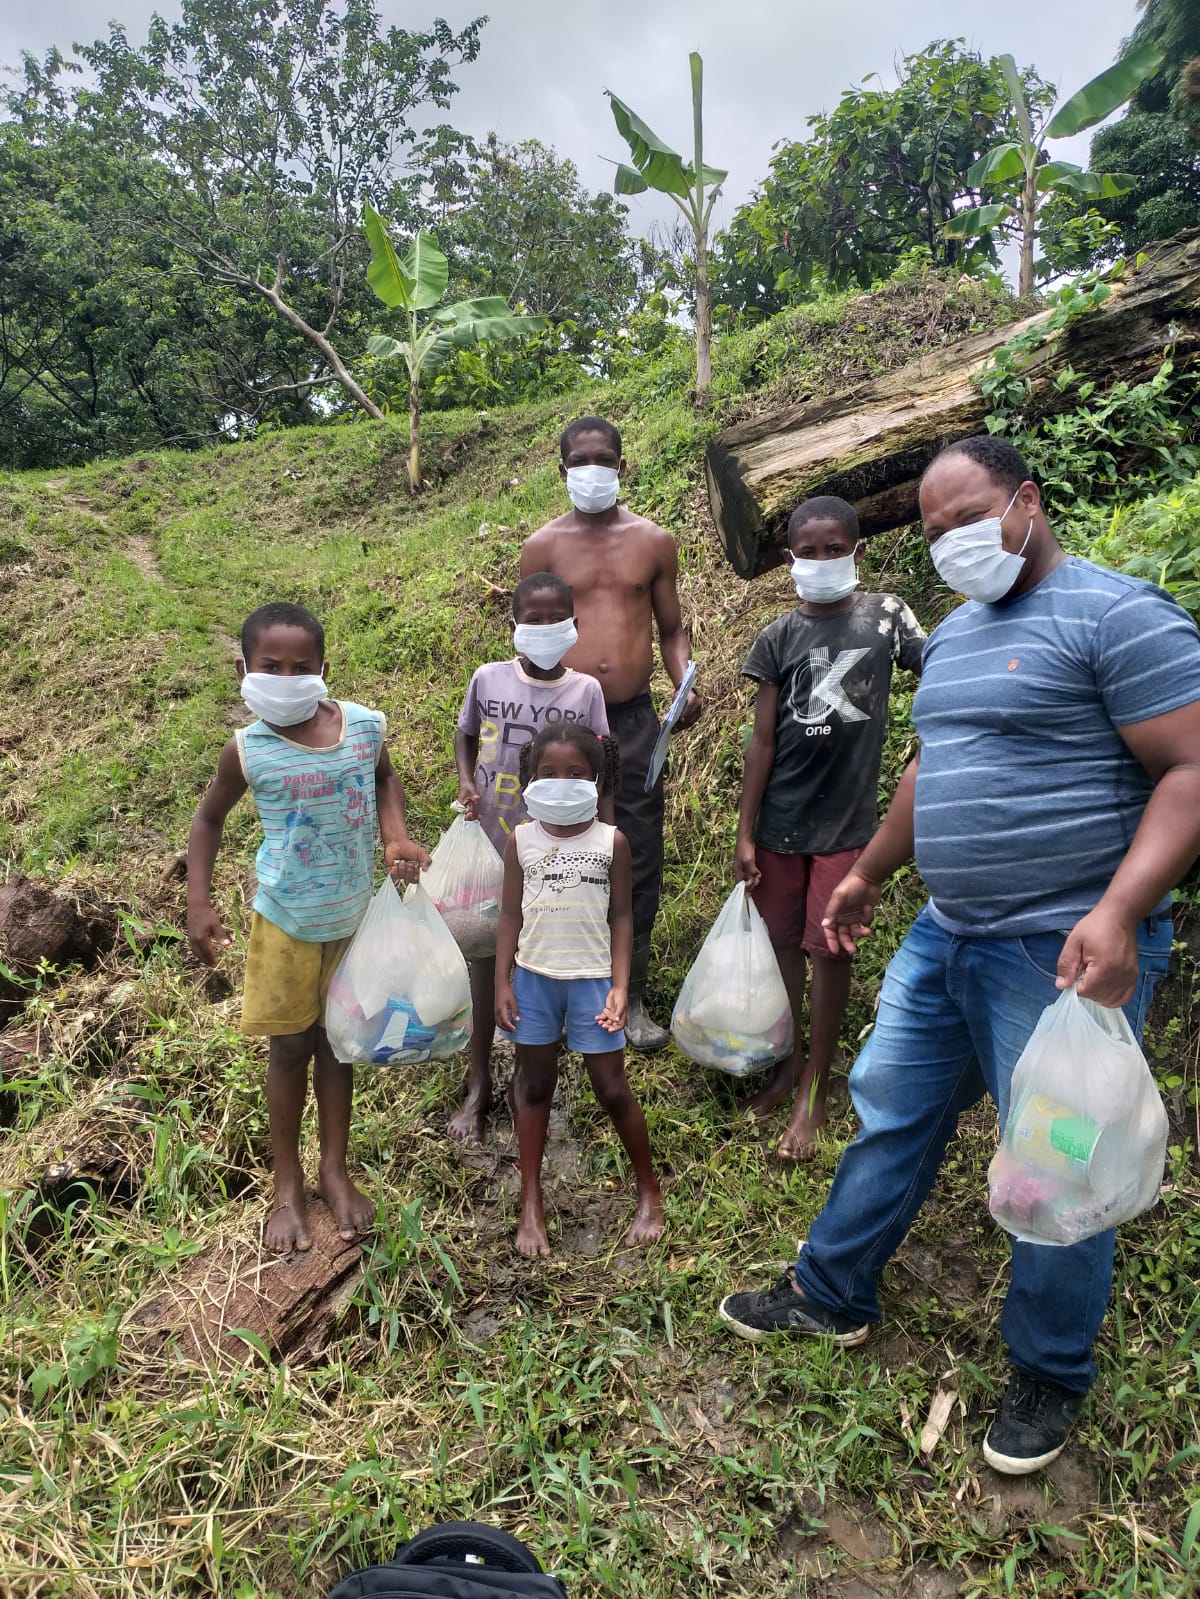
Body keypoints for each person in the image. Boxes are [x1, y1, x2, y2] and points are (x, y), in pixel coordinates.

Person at [718, 436, 1200, 1476]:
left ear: (1024, 499)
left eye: (964, 520)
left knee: (1055, 1162)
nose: (947, 545)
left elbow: (1190, 773)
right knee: (892, 1104)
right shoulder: (960, 633)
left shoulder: (1119, 616)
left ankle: (1049, 1373)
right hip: (951, 932)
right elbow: (933, 769)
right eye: (931, 533)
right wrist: (872, 874)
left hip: (1066, 951)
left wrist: (1121, 912)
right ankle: (830, 1293)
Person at [186, 602, 431, 1253]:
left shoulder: (361, 729)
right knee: (290, 1049)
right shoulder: (247, 750)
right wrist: (198, 900)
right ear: (243, 669)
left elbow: (384, 780)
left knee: (338, 1044)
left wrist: (396, 834)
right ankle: (287, 1184)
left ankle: (333, 1168)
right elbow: (208, 820)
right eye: (271, 667)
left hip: (352, 921)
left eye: (301, 667)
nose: (286, 677)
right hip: (286, 927)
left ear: (326, 669)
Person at [735, 495, 925, 1158]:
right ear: (788, 560)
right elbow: (762, 743)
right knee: (785, 942)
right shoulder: (778, 636)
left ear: (857, 551)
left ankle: (815, 1086)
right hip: (781, 822)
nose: (820, 561)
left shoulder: (887, 617)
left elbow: (941, 677)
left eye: (833, 549)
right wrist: (745, 830)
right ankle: (789, 1062)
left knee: (830, 948)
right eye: (807, 552)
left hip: (848, 824)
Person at [519, 416, 701, 1051]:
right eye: (580, 459)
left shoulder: (653, 542)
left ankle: (634, 992)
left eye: (604, 458)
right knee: (556, 849)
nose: (592, 468)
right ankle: (554, 979)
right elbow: (530, 633)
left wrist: (684, 683)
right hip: (562, 722)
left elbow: (672, 629)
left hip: (632, 719)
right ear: (562, 470)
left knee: (636, 849)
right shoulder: (542, 547)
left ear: (623, 467)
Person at [450, 572, 612, 1144]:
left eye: (555, 618)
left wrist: (603, 832)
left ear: (575, 624)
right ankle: (478, 1083)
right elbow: (465, 735)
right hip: (494, 843)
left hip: (556, 854)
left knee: (537, 958)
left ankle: (528, 1072)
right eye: (532, 619)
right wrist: (468, 782)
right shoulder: (488, 678)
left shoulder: (586, 692)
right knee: (482, 959)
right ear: (513, 626)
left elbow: (602, 762)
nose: (544, 628)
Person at [494, 723, 664, 1256]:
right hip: (534, 980)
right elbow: (507, 914)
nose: (561, 783)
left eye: (575, 775)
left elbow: (621, 917)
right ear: (530, 779)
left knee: (612, 1088)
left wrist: (620, 985)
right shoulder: (521, 839)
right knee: (534, 1085)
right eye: (549, 774)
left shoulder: (610, 841)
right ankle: (531, 1200)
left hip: (592, 982)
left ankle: (649, 1192)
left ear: (597, 781)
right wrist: (502, 979)